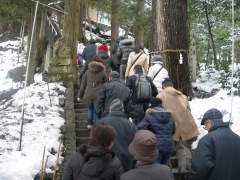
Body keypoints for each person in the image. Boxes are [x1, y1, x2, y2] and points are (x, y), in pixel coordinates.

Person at [157, 78, 199, 173]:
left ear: (163, 86)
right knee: (185, 147)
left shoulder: (160, 96)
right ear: (172, 86)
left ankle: (179, 172)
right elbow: (189, 110)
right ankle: (186, 171)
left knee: (178, 148)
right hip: (187, 125)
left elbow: (158, 112)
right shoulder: (182, 96)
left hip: (172, 126)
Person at [190, 108, 240, 180]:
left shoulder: (207, 140)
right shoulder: (237, 138)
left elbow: (200, 168)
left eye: (205, 126)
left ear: (209, 123)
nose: (206, 129)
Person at [100, 99, 137, 171]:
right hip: (126, 161)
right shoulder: (131, 125)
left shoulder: (102, 123)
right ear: (122, 110)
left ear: (110, 110)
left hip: (106, 160)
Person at [137, 98, 175, 165]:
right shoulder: (170, 116)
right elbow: (173, 131)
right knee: (164, 167)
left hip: (156, 146)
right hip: (169, 145)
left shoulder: (149, 116)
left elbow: (140, 128)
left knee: (156, 168)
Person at [77, 56, 107, 128]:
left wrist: (79, 96)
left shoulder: (87, 72)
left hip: (88, 94)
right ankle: (96, 125)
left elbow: (83, 85)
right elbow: (106, 84)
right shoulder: (103, 72)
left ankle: (89, 124)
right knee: (97, 111)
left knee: (90, 109)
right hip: (98, 94)